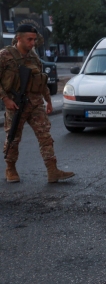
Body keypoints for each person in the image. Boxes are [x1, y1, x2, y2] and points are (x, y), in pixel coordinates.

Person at [0, 24, 74, 183]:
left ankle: (52, 171)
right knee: (13, 138)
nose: (32, 43)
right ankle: (10, 168)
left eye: (34, 39)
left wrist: (48, 100)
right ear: (18, 38)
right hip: (16, 104)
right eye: (29, 39)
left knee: (45, 137)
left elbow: (40, 80)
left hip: (35, 103)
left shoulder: (33, 56)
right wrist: (6, 100)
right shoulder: (5, 55)